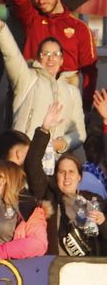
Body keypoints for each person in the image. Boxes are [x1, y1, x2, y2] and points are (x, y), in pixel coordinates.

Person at [0, 0, 86, 152]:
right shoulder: (26, 78)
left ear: (62, 59)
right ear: (38, 58)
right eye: (45, 54)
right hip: (23, 156)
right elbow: (11, 54)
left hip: (52, 164)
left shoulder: (72, 92)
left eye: (56, 54)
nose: (51, 58)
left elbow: (80, 133)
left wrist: (61, 144)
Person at [22, 103, 107, 257]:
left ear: (80, 177)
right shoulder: (49, 195)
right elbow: (32, 164)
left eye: (71, 172)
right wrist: (44, 129)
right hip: (56, 270)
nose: (67, 176)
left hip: (89, 270)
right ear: (56, 176)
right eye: (62, 172)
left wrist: (103, 223)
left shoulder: (96, 200)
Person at [8, 0, 98, 97]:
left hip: (66, 98)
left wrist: (85, 108)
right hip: (33, 92)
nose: (41, 1)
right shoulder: (32, 18)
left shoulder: (80, 28)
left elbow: (90, 71)